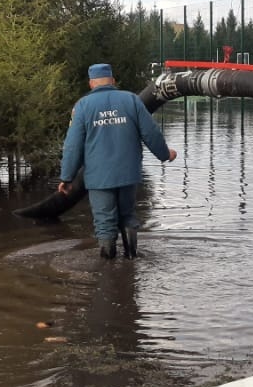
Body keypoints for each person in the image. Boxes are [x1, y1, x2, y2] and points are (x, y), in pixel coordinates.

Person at [58, 63, 177, 259]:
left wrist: (67, 177)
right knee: (128, 216)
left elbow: (73, 145)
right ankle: (132, 259)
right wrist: (165, 154)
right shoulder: (131, 100)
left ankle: (108, 270)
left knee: (104, 222)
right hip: (128, 174)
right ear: (113, 81)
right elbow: (151, 132)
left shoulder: (82, 106)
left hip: (99, 178)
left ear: (91, 84)